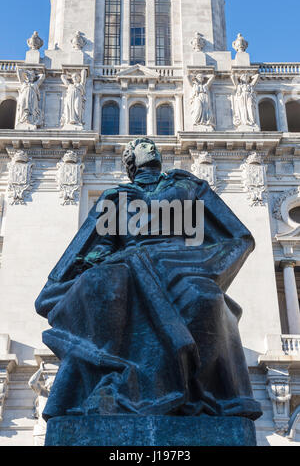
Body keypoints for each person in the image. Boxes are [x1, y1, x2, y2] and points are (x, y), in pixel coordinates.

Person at [35, 138, 262, 421]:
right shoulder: (116, 198)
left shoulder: (187, 186)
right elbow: (97, 246)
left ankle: (200, 392)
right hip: (128, 265)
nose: (150, 146)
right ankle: (114, 376)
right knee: (102, 284)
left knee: (206, 298)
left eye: (151, 143)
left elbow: (237, 238)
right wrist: (97, 259)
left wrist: (203, 264)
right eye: (142, 144)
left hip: (181, 264)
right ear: (130, 160)